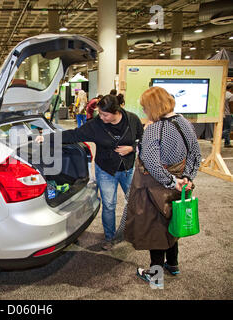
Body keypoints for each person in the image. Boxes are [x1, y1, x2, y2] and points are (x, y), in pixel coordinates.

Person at [36, 94, 143, 250]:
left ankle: (134, 232)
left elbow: (142, 138)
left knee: (135, 202)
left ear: (116, 111)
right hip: (105, 170)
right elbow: (74, 134)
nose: (101, 117)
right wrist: (48, 138)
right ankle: (110, 237)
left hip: (127, 168)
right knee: (109, 205)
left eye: (104, 114)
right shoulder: (96, 125)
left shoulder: (132, 120)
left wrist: (132, 148)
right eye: (99, 113)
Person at [124, 86, 201, 286]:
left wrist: (172, 182)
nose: (144, 111)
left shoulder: (155, 128)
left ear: (153, 106)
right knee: (173, 224)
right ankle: (173, 264)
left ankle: (155, 275)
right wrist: (187, 178)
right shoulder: (184, 123)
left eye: (145, 107)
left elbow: (151, 163)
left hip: (157, 188)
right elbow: (195, 155)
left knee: (155, 229)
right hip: (182, 184)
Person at [223, 83, 233, 148]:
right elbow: (231, 106)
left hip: (222, 114)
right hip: (228, 114)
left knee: (224, 128)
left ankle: (227, 142)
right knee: (227, 129)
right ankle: (214, 137)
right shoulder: (231, 95)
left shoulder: (223, 94)